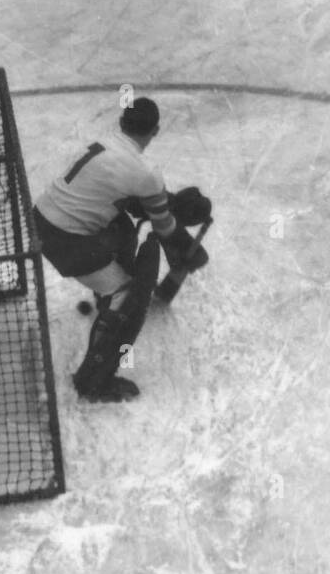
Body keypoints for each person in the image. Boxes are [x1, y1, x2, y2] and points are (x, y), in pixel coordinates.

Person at [33, 98, 212, 401]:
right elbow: (163, 227)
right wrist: (185, 242)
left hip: (41, 219)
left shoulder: (104, 143)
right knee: (125, 295)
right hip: (66, 242)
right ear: (155, 130)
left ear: (121, 123)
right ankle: (94, 382)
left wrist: (168, 204)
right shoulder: (146, 173)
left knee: (122, 226)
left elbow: (129, 199)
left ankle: (105, 295)